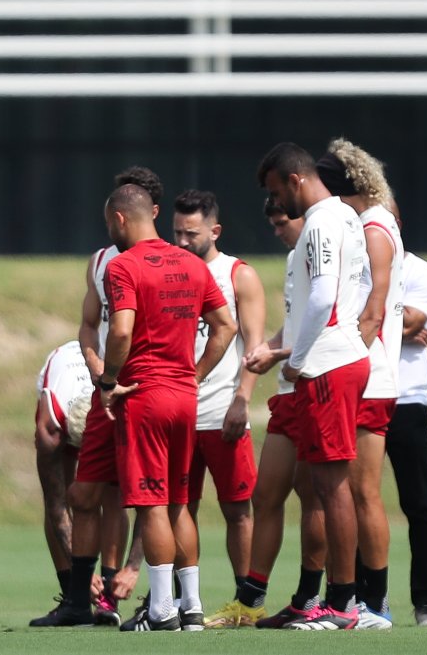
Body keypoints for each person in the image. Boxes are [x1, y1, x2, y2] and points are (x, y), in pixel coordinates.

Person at [97, 179, 235, 631]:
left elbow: (120, 331)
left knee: (151, 503)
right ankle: (191, 606)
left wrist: (109, 380)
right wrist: (193, 375)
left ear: (119, 219)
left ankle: (160, 610)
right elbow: (226, 326)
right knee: (179, 501)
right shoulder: (193, 264)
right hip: (184, 397)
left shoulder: (123, 266)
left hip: (144, 395)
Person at [40, 167, 164, 628]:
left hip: (148, 390)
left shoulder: (167, 260)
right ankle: (78, 601)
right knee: (85, 492)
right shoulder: (100, 262)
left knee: (145, 498)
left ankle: (158, 601)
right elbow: (90, 323)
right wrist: (98, 369)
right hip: (106, 393)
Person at [258, 143, 374, 630]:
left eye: (276, 190)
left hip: (327, 363)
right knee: (318, 485)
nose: (279, 203)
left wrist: (298, 359)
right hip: (338, 355)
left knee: (332, 486)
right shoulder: (347, 217)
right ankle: (314, 599)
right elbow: (360, 287)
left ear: (294, 179)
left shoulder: (324, 221)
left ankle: (343, 604)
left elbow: (325, 294)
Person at [167, 190, 263, 627]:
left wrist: (242, 399)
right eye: (177, 233)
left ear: (215, 231)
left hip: (222, 411)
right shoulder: (168, 272)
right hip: (177, 412)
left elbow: (254, 346)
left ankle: (246, 601)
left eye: (192, 234)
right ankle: (182, 601)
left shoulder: (238, 275)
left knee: (238, 508)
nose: (183, 243)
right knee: (176, 506)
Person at [235, 195, 326, 630]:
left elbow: (332, 322)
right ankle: (249, 599)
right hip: (288, 390)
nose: (277, 229)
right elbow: (295, 325)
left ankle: (311, 598)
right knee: (266, 493)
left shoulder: (322, 250)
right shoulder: (295, 258)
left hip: (316, 386)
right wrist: (269, 348)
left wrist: (281, 354)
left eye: (282, 221)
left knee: (315, 497)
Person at [327, 141, 405, 626]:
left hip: (368, 377)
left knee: (362, 492)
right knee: (349, 491)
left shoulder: (374, 228)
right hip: (367, 373)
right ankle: (355, 595)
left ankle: (374, 601)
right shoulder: (371, 222)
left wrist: (343, 365)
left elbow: (373, 313)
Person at [27, 342, 135, 629]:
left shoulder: (114, 415)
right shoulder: (51, 426)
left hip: (107, 395)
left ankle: (107, 598)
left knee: (112, 494)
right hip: (63, 388)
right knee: (69, 497)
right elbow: (56, 503)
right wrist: (81, 572)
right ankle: (71, 596)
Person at [390, 250, 427, 626]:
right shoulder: (351, 265)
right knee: (355, 500)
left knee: (419, 503)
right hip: (360, 393)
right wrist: (400, 325)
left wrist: (382, 321)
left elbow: (416, 321)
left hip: (408, 397)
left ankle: (426, 601)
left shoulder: (424, 273)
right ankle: (362, 596)